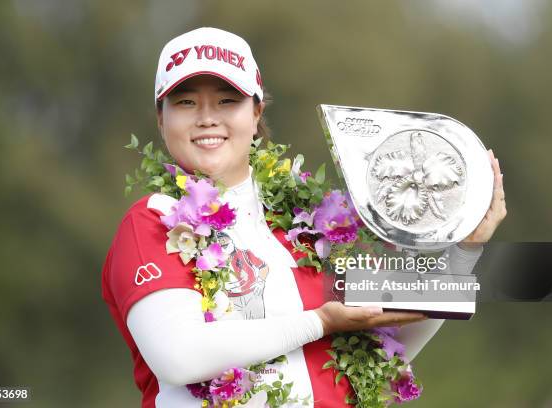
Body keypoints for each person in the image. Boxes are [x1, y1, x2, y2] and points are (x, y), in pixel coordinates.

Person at [101, 27, 507, 407]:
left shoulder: (311, 221)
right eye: (186, 102)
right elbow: (179, 357)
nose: (207, 117)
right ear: (161, 117)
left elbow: (386, 351)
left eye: (227, 100)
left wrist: (465, 246)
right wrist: (321, 322)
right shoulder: (153, 223)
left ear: (256, 113)